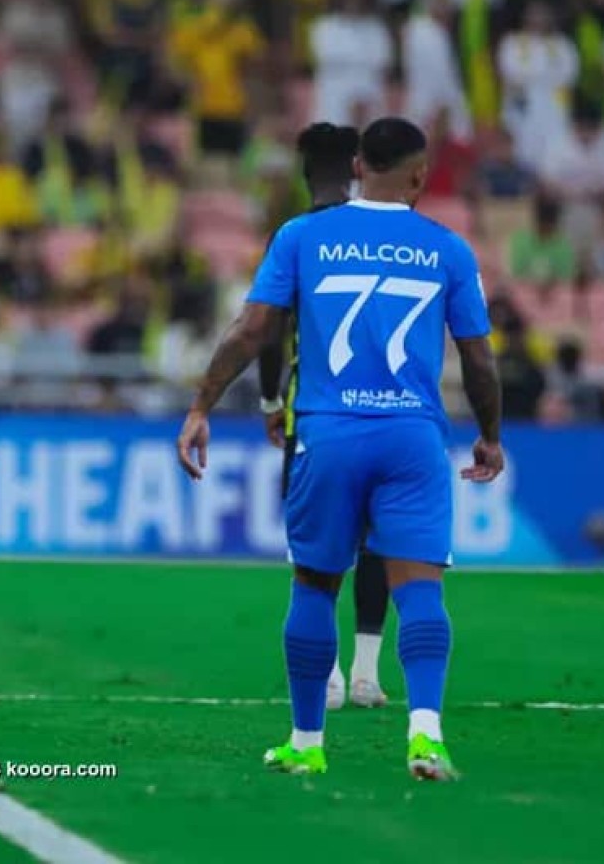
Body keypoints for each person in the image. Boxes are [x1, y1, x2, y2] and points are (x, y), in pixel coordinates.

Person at [178, 117, 503, 780]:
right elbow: (479, 359)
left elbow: (252, 330)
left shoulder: (302, 235)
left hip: (327, 433)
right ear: (419, 175)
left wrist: (201, 404)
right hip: (412, 435)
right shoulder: (448, 248)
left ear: (358, 164)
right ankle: (426, 735)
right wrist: (491, 436)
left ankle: (306, 741)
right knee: (420, 589)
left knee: (315, 584)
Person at [258, 123, 391, 711]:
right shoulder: (387, 235)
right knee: (377, 541)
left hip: (312, 415)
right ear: (359, 167)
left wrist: (268, 399)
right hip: (388, 413)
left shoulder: (297, 237)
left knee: (315, 546)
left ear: (304, 172)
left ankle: (329, 675)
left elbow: (268, 329)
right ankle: (366, 673)